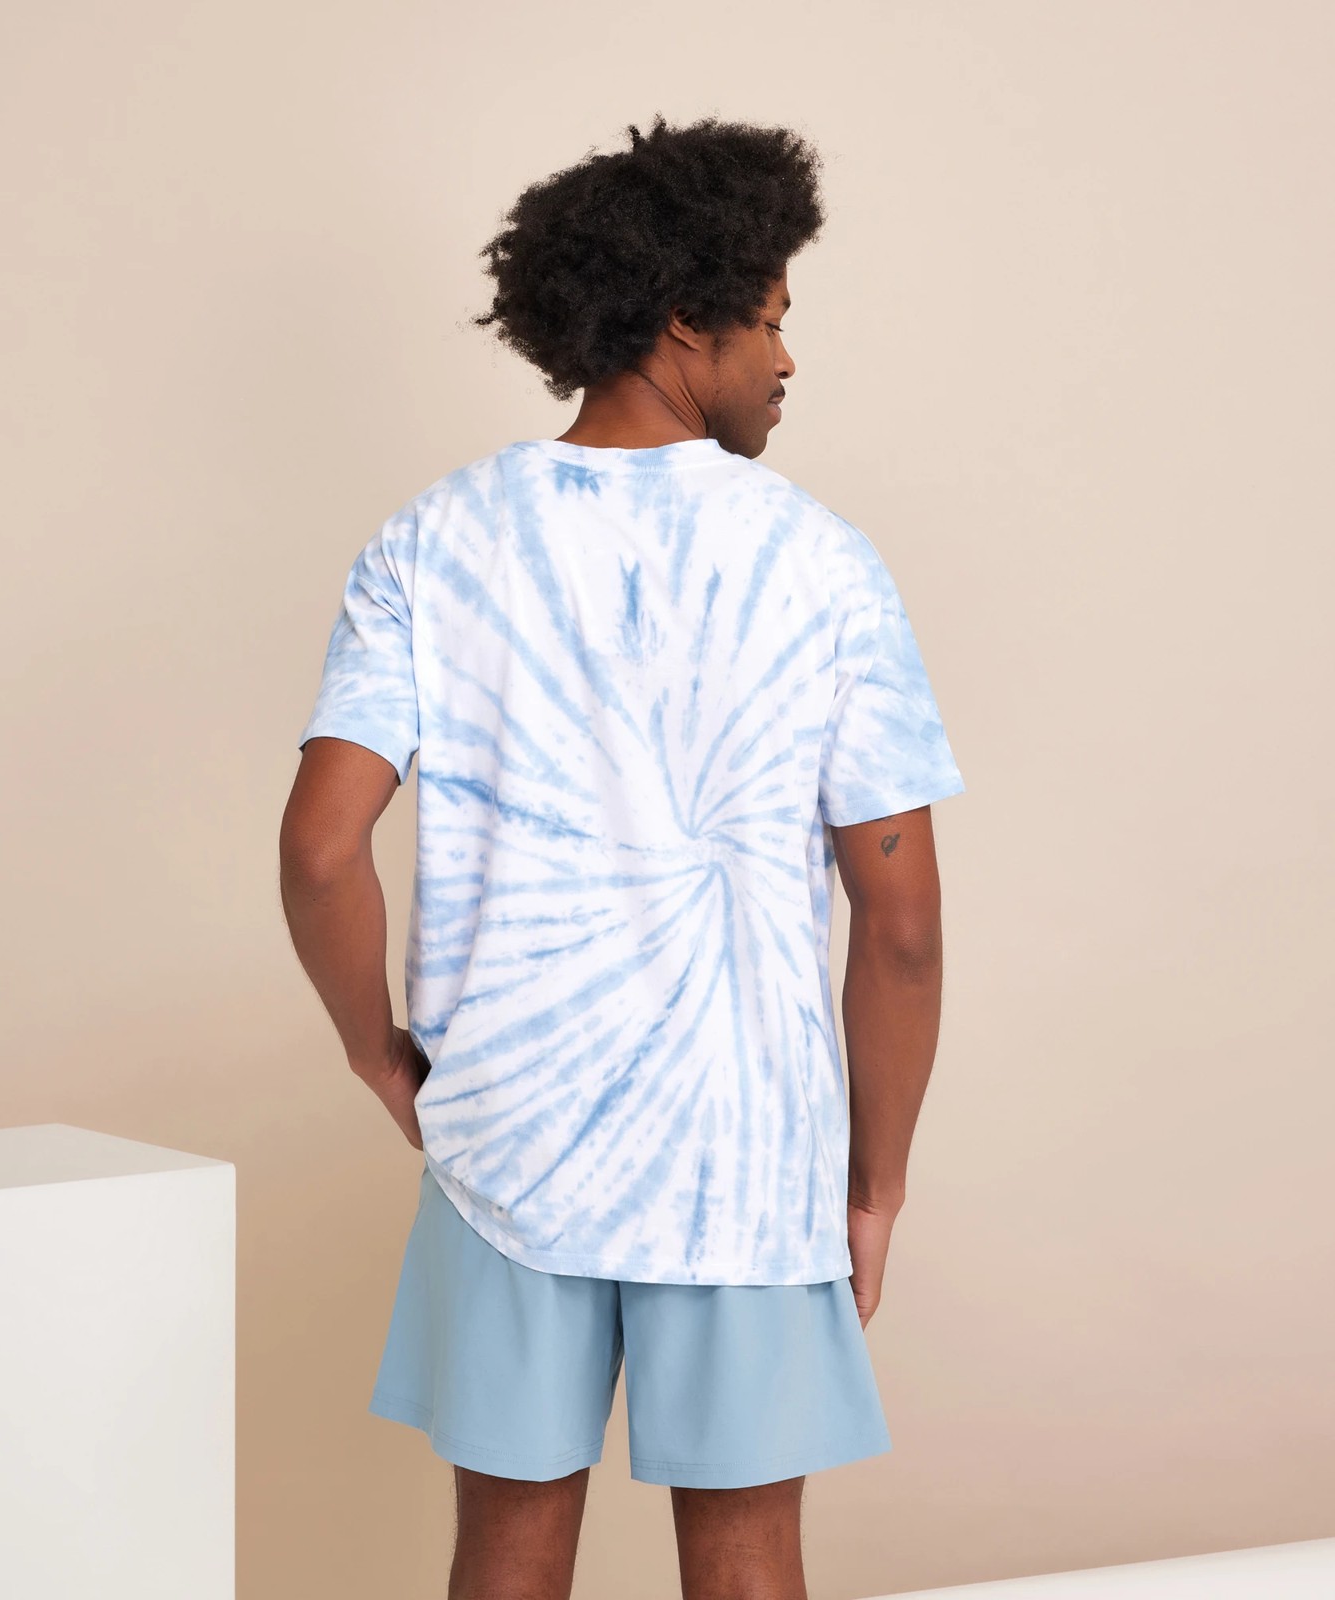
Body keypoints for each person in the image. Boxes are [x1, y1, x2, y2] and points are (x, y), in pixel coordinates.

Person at [279, 111, 965, 1600]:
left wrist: (376, 1056)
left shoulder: (431, 541)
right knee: (747, 1558)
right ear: (685, 324)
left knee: (508, 1552)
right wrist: (874, 1187)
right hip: (747, 1151)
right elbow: (902, 924)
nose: (787, 359)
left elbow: (322, 849)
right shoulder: (824, 562)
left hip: (506, 1141)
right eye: (771, 320)